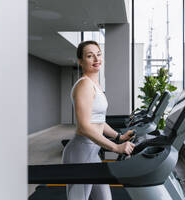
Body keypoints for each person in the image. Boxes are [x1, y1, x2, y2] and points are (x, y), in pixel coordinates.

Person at [62, 40, 135, 200]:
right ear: (80, 61)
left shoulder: (96, 85)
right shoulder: (84, 85)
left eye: (98, 54)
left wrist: (119, 137)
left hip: (93, 153)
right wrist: (116, 147)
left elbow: (98, 121)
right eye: (90, 56)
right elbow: (84, 127)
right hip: (80, 154)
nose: (96, 59)